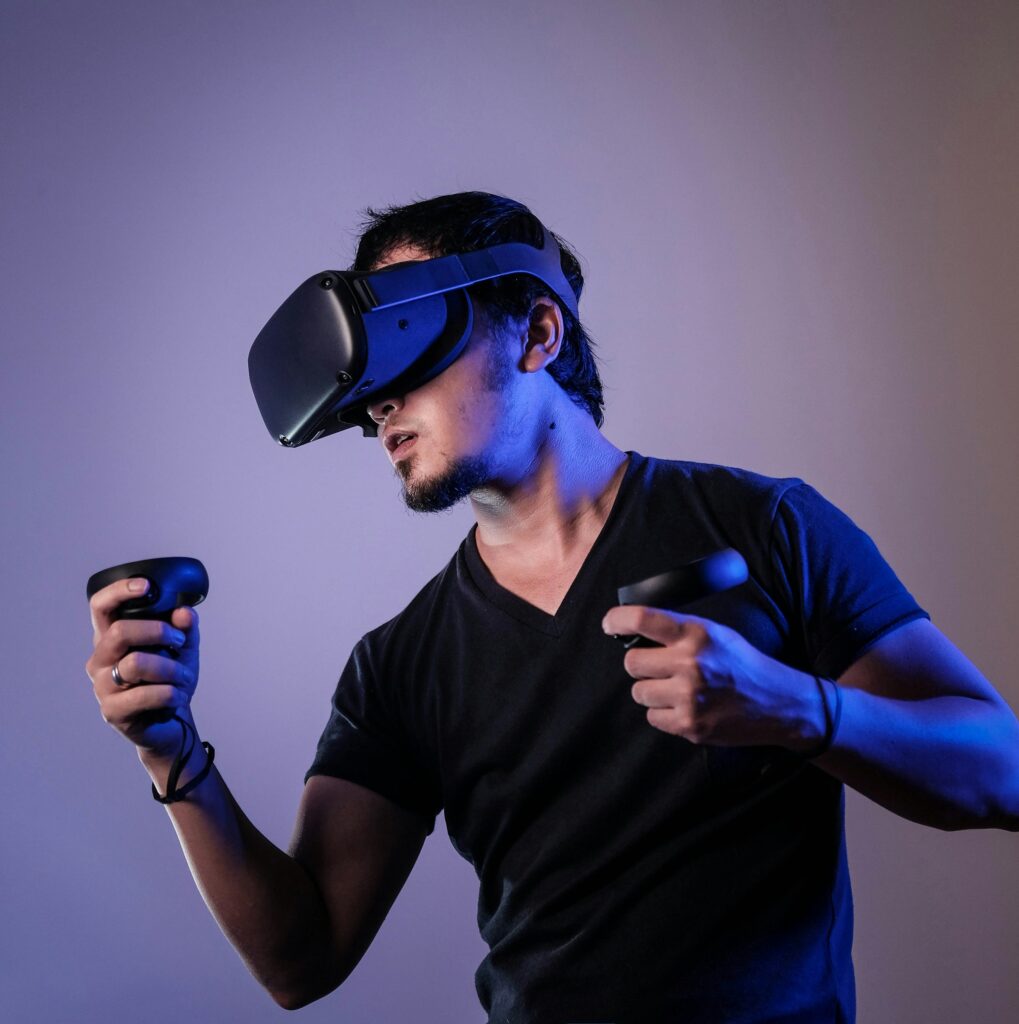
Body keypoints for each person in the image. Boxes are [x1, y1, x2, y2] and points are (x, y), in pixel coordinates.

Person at [86, 192, 1019, 1023]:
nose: (379, 403)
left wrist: (794, 710)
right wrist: (175, 759)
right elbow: (303, 958)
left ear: (538, 334)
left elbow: (1001, 772)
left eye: (410, 343)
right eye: (367, 380)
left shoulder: (765, 527)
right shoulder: (401, 665)